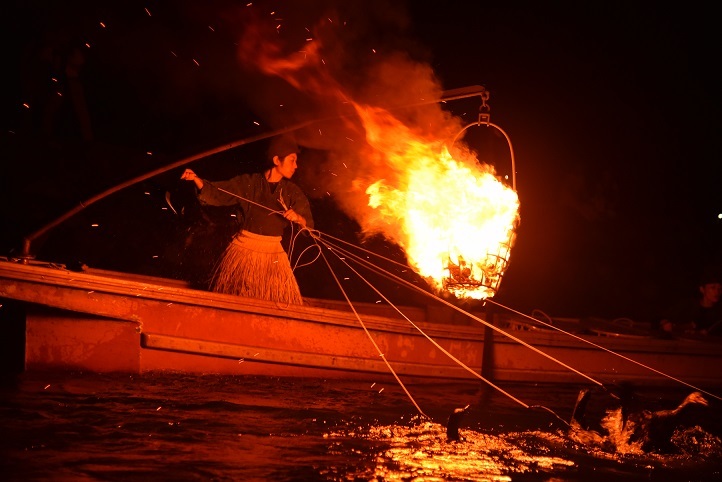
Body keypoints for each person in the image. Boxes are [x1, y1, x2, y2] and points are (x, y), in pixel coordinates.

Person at [180, 134, 314, 305]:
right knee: (236, 299)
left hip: (273, 256)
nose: (296, 166)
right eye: (292, 160)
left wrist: (297, 217)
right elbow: (219, 193)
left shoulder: (292, 192)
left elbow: (308, 226)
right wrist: (197, 180)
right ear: (276, 160)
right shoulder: (248, 183)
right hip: (243, 250)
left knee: (278, 303)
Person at [658, 268, 722, 336]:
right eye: (713, 288)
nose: (717, 292)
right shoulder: (688, 306)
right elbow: (661, 317)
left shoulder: (719, 312)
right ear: (702, 289)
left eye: (720, 288)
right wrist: (665, 324)